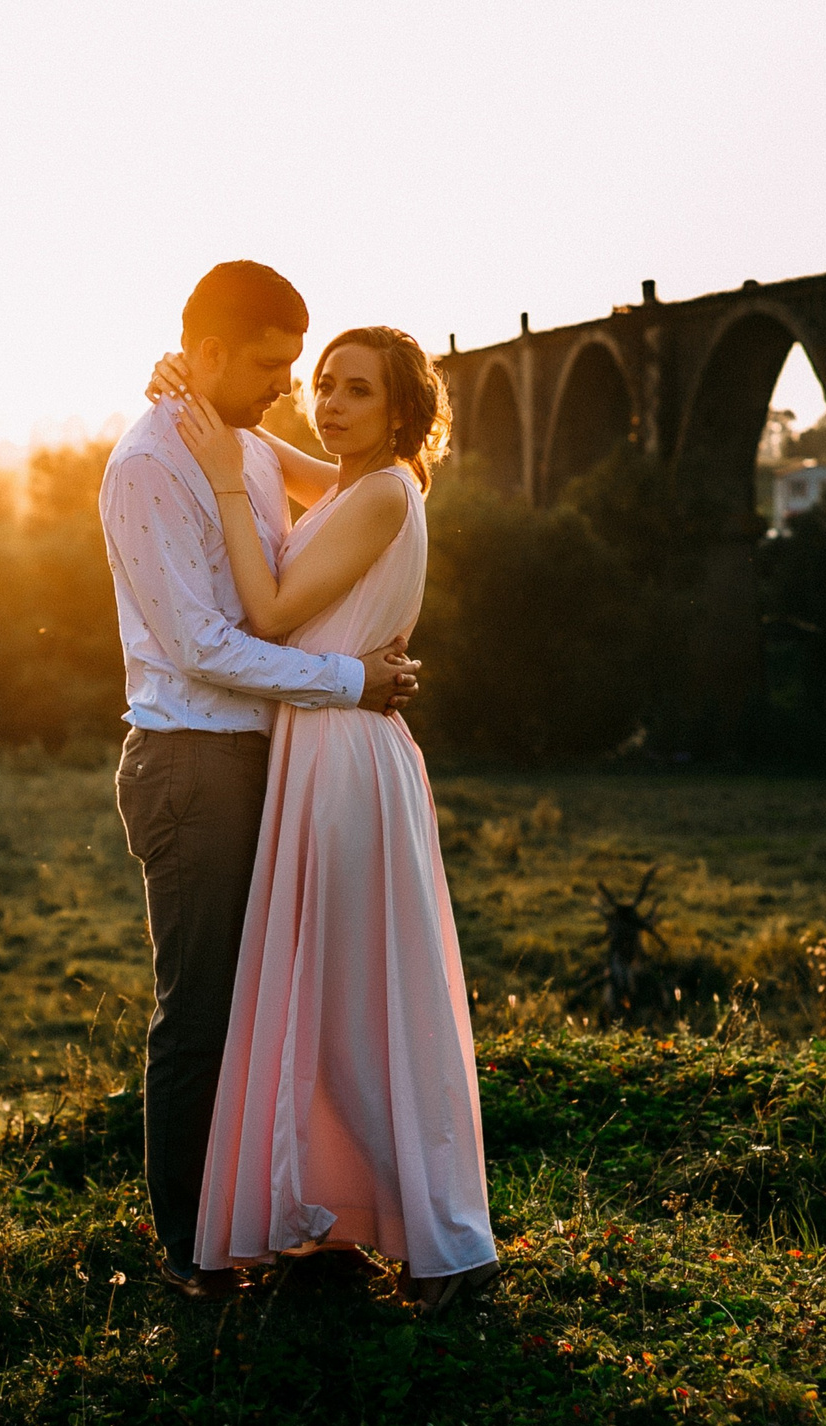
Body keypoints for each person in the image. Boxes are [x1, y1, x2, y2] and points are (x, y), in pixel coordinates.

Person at [155, 323, 501, 1315]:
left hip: (345, 760)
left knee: (356, 1011)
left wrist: (223, 480)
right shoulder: (357, 482)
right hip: (327, 749)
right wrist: (192, 387)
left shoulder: (386, 490)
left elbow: (265, 615)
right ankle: (345, 1220)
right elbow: (267, 451)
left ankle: (451, 1247)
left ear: (400, 410)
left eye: (355, 389)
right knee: (334, 1002)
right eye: (320, 385)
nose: (329, 403)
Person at [100, 261, 420, 1301]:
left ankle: (269, 1216)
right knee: (200, 1012)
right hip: (192, 760)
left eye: (307, 369)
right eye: (276, 367)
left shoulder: (230, 439)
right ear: (206, 354)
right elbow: (199, 644)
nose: (292, 389)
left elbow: (366, 492)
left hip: (260, 758)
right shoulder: (149, 465)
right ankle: (193, 1250)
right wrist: (350, 681)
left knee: (262, 1006)